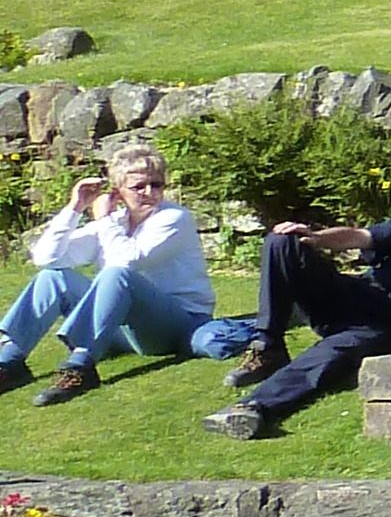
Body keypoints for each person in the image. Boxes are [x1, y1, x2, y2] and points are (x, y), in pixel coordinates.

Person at [206, 175, 391, 440]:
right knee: (281, 240)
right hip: (353, 292)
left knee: (330, 355)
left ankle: (253, 408)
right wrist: (314, 237)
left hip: (388, 322)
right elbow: (359, 237)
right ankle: (268, 347)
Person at [0, 142, 235, 404]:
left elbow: (128, 260)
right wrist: (75, 208)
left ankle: (81, 366)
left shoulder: (173, 218)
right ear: (118, 191)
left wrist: (103, 220)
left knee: (116, 275)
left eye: (156, 185)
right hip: (120, 329)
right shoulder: (115, 221)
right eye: (138, 187)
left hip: (176, 324)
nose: (149, 193)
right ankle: (10, 362)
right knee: (53, 277)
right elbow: (46, 258)